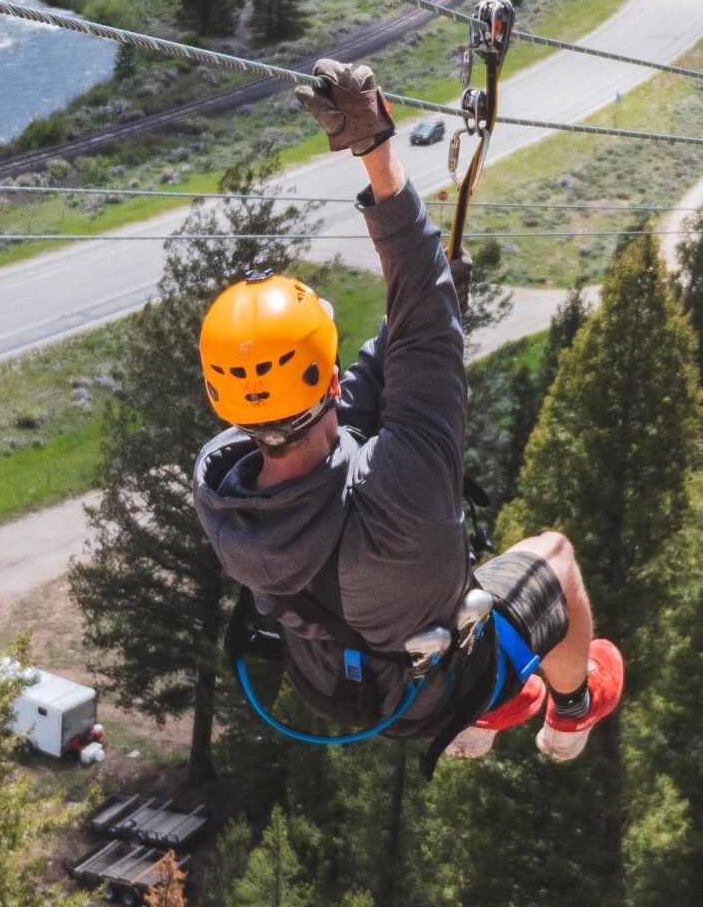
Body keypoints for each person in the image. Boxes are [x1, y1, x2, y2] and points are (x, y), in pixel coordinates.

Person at [192, 58, 623, 762]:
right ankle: (571, 713)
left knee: (461, 608)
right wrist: (377, 154)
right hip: (437, 687)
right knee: (555, 557)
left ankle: (496, 710)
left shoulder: (222, 488)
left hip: (334, 680)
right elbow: (409, 344)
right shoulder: (403, 493)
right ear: (325, 379)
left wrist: (432, 303)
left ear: (229, 401)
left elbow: (379, 377)